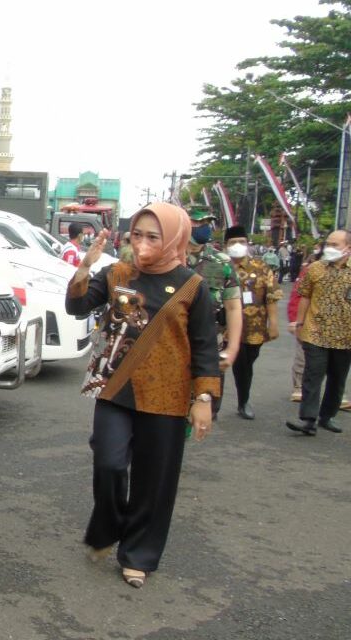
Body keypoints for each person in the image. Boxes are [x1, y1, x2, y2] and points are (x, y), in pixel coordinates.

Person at [68, 203, 219, 590]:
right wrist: (85, 266)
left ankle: (137, 555)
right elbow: (76, 305)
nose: (143, 243)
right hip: (116, 388)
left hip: (167, 397)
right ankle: (108, 528)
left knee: (155, 481)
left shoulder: (192, 286)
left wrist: (203, 399)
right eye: (137, 234)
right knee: (110, 463)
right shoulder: (118, 272)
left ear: (173, 238)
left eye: (153, 236)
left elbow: (203, 346)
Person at [287, 230, 351, 436]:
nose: (329, 248)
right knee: (312, 375)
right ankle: (308, 419)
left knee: (337, 378)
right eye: (328, 244)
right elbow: (304, 296)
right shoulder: (315, 268)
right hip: (315, 332)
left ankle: (327, 416)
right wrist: (300, 322)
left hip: (345, 336)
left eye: (335, 245)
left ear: (348, 248)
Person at [185, 208, 242, 417]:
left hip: (209, 348)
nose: (204, 228)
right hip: (171, 346)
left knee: (205, 407)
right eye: (198, 223)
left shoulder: (221, 262)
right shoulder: (167, 257)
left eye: (207, 223)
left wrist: (233, 348)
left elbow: (234, 307)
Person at [223, 226, 282, 420]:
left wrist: (273, 323)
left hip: (252, 327)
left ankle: (243, 401)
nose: (237, 246)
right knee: (216, 365)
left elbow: (271, 297)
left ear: (248, 244)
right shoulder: (220, 266)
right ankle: (211, 404)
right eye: (232, 242)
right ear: (225, 246)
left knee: (245, 366)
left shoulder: (261, 267)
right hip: (222, 327)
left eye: (241, 242)